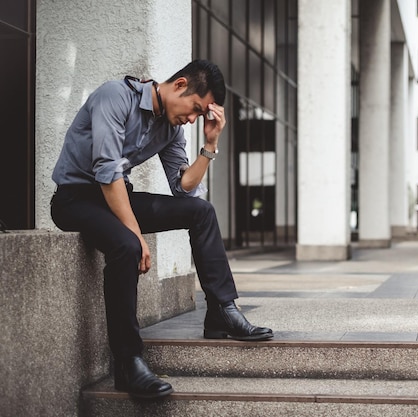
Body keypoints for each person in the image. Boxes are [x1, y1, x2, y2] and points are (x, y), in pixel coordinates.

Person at [50, 59, 273, 399]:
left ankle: (221, 311)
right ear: (180, 85)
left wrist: (210, 144)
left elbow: (183, 187)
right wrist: (137, 236)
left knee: (201, 212)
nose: (193, 118)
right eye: (196, 109)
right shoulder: (115, 97)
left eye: (200, 116)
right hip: (74, 199)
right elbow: (107, 171)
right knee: (125, 245)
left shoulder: (169, 128)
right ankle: (129, 364)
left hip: (117, 196)